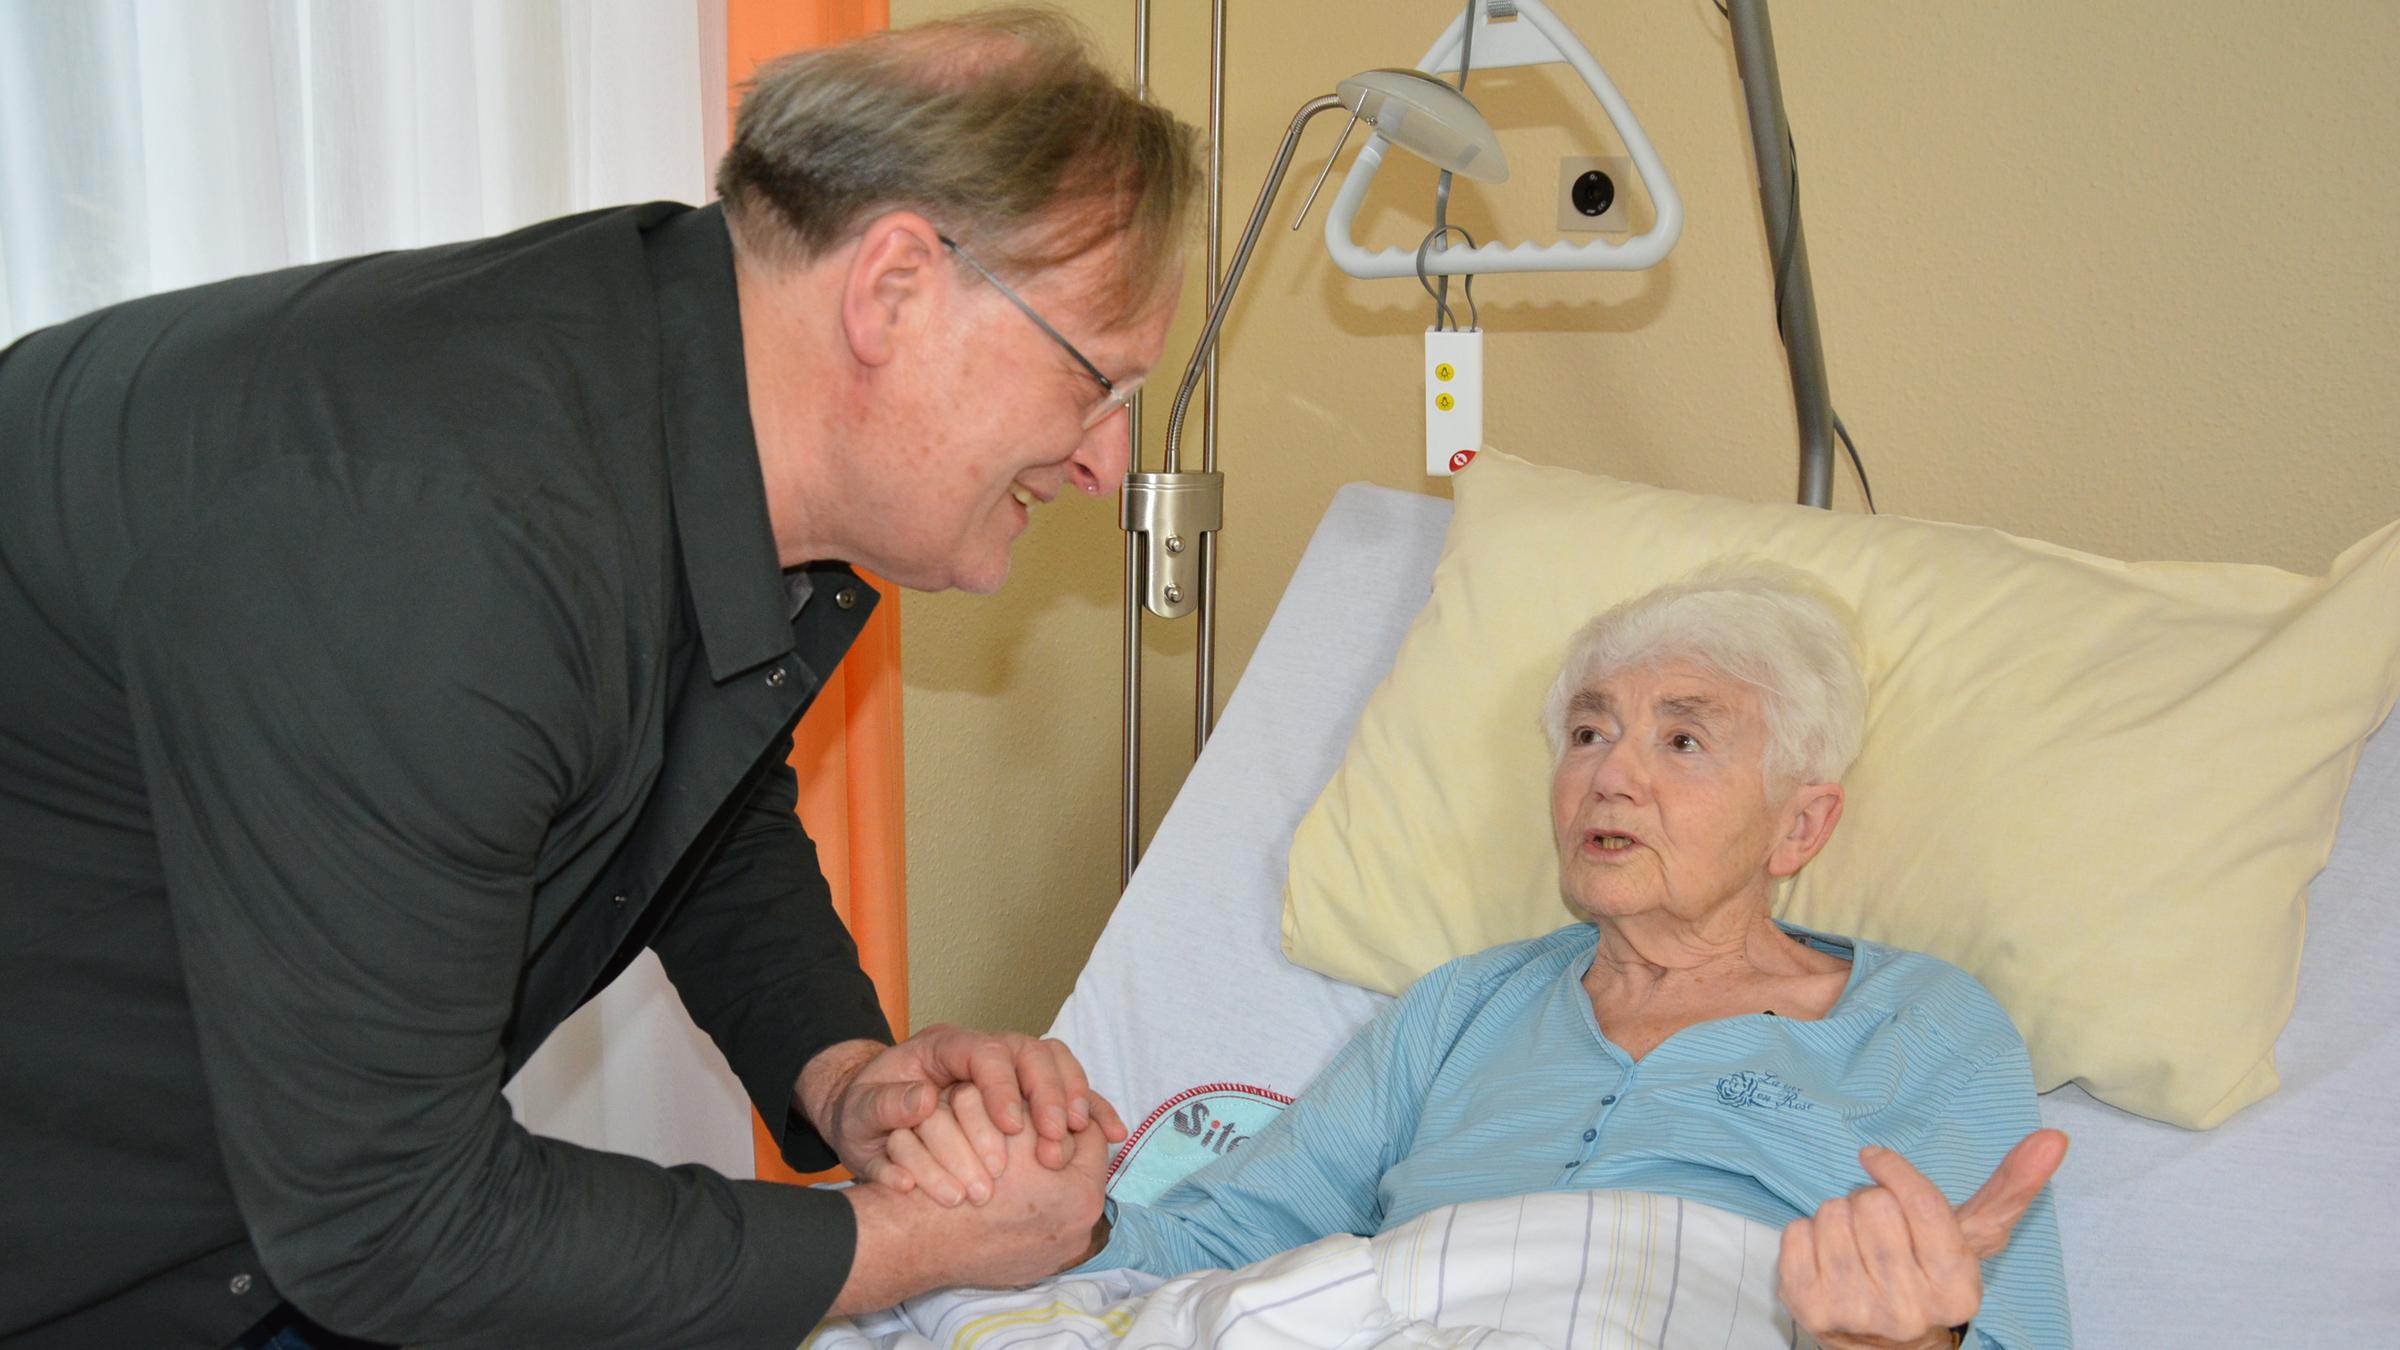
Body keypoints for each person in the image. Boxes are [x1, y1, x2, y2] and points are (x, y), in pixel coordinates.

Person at [0, 11, 1198, 1349]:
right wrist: (903, 1245)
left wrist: (853, 1076)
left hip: (259, 1209)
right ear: (895, 291)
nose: (1105, 462)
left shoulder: (685, 396)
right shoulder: (449, 549)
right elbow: (393, 1221)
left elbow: (695, 791)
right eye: (1098, 381)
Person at [900, 562, 2071, 1348]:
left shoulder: (1924, 1023)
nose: (1612, 772)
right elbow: (1223, 1243)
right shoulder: (1464, 1006)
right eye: (1588, 731)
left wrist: (1908, 1341)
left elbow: (2005, 1322)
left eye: (1683, 738)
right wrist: (1065, 1219)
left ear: (1801, 825)